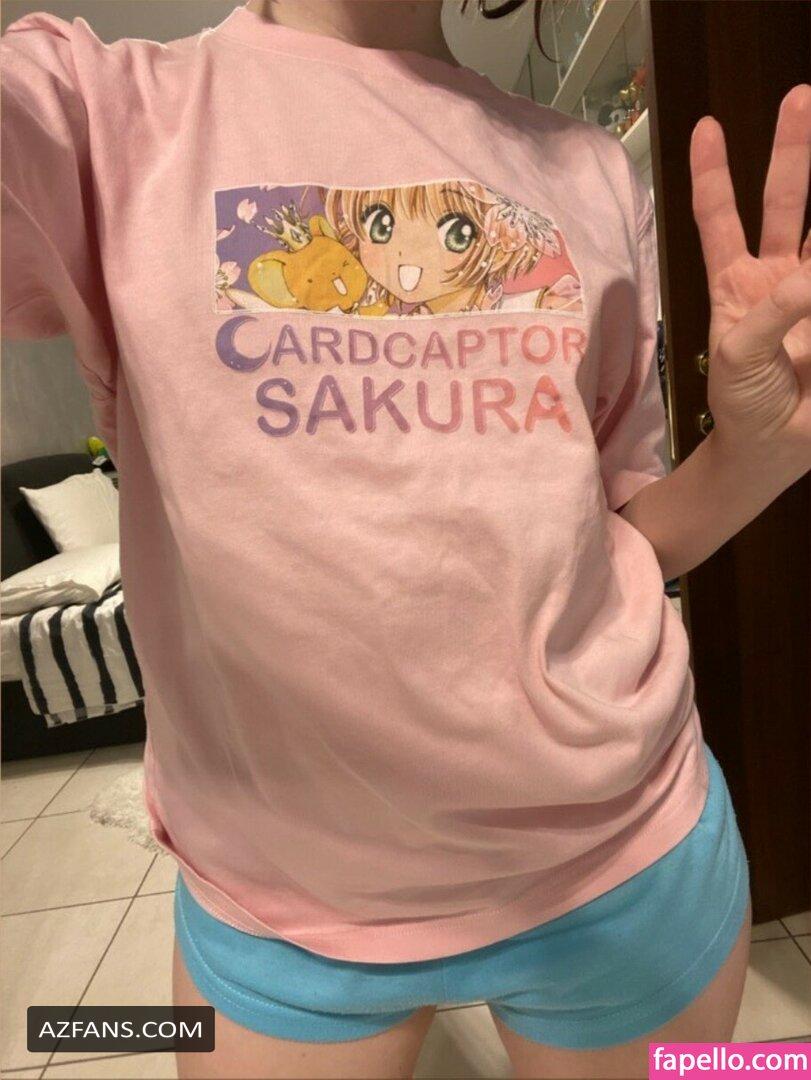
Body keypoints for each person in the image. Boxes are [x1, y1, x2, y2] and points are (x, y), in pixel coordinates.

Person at [1, 0, 808, 1075]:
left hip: (630, 861)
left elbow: (619, 542)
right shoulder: (93, 116)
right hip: (281, 909)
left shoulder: (588, 169)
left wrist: (760, 454)